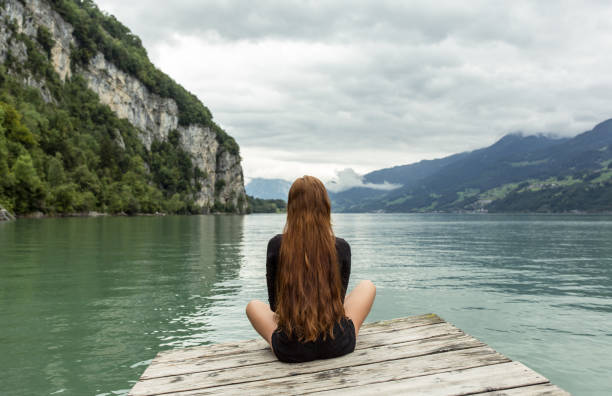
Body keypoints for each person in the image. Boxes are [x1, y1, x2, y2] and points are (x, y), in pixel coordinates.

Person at [246, 175, 376, 363]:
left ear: (291, 208)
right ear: (325, 207)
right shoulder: (341, 247)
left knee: (253, 306)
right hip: (338, 343)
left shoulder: (276, 244)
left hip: (290, 349)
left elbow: (275, 307)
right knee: (367, 286)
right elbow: (338, 302)